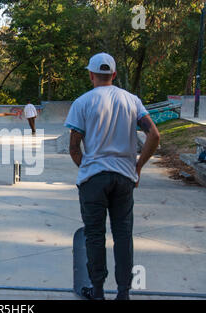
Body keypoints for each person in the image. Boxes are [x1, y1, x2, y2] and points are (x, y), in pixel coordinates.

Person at [65, 53, 160, 300]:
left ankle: (97, 291)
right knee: (123, 235)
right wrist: (137, 167)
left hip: (93, 179)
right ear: (114, 75)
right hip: (124, 179)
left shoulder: (82, 102)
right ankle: (123, 293)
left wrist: (87, 169)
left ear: (91, 74)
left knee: (95, 235)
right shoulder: (132, 101)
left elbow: (74, 147)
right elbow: (154, 135)